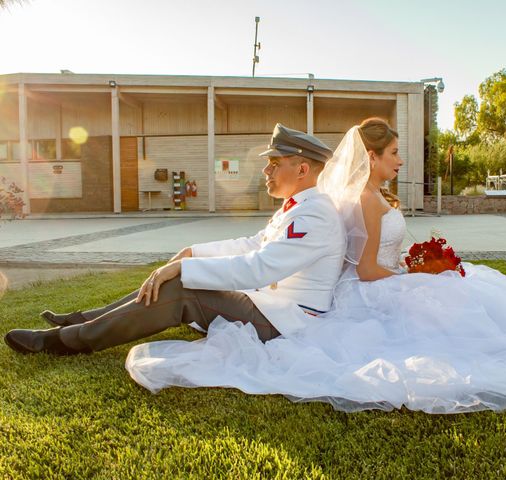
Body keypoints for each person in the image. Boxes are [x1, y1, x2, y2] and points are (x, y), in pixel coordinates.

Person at [123, 117, 506, 414]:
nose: (399, 160)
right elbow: (367, 268)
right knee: (470, 310)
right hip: (375, 287)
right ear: (370, 156)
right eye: (393, 152)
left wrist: (423, 265)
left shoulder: (367, 196)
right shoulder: (363, 202)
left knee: (484, 292)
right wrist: (418, 275)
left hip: (381, 281)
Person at [4, 123, 346, 355]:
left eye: (274, 163)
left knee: (181, 287)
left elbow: (261, 268)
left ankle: (64, 341)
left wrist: (186, 267)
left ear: (302, 170)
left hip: (287, 321)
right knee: (176, 277)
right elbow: (253, 243)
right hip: (271, 307)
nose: (265, 171)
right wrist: (193, 251)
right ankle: (83, 319)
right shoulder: (300, 206)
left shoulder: (314, 213)